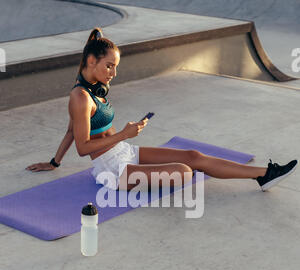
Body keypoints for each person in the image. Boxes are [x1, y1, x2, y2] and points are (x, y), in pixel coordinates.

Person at [26, 27, 298, 192]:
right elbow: (83, 147)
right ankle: (261, 175)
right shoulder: (80, 96)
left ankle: (264, 174)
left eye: (116, 66)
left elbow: (70, 130)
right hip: (112, 170)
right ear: (91, 60)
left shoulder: (93, 91)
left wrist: (54, 162)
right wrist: (124, 134)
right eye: (109, 65)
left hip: (124, 153)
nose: (114, 72)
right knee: (184, 171)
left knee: (192, 155)